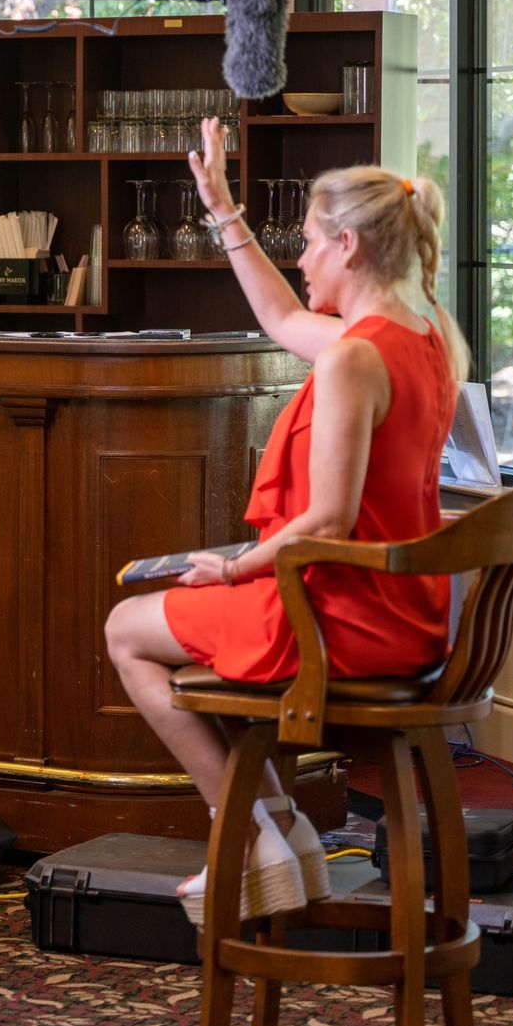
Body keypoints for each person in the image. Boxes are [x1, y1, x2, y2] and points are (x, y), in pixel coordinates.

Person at [104, 116, 469, 924]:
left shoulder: (352, 358)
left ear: (346, 245)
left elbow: (330, 518)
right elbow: (279, 319)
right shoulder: (426, 335)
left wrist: (232, 568)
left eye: (306, 241)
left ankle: (252, 830)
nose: (299, 257)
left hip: (338, 616)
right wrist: (223, 208)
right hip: (406, 613)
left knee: (125, 629)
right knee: (154, 618)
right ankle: (281, 829)